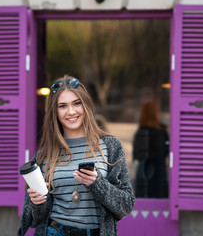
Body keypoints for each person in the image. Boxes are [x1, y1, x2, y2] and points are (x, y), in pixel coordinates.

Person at [18, 76, 135, 236]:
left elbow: (126, 205)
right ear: (55, 111)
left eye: (76, 103)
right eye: (62, 106)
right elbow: (34, 220)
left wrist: (97, 184)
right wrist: (37, 202)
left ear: (85, 104)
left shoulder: (110, 145)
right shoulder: (45, 153)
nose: (71, 111)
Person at [133, 100, 169, 198]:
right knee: (158, 194)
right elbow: (167, 150)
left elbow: (136, 153)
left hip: (144, 167)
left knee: (144, 194)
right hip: (159, 168)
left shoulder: (141, 131)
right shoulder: (162, 131)